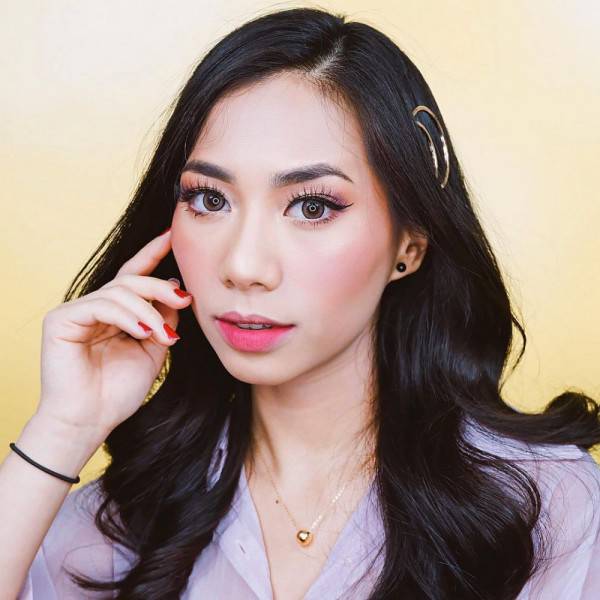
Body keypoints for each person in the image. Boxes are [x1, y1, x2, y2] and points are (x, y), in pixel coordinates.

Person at [2, 7, 599, 600]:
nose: (244, 267)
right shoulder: (117, 524)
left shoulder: (544, 507)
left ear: (409, 245)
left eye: (312, 207)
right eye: (209, 199)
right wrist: (63, 429)